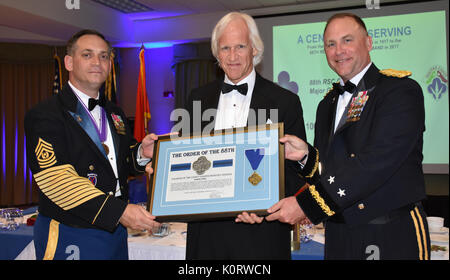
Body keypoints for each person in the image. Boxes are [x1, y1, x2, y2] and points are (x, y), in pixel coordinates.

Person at [265, 13, 430, 260]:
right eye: (330, 44)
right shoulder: (327, 104)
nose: (338, 50)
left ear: (369, 43)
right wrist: (307, 156)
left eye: (347, 40)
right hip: (340, 233)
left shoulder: (399, 91)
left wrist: (305, 205)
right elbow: (332, 170)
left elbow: (375, 163)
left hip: (389, 231)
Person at [24, 29, 160, 260]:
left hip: (114, 231)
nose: (98, 62)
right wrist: (119, 212)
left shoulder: (114, 112)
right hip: (71, 231)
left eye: (104, 56)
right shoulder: (46, 114)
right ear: (69, 62)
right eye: (87, 55)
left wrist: (141, 153)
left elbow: (117, 164)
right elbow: (57, 181)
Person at [183, 12, 306, 259]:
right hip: (207, 236)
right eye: (225, 48)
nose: (232, 56)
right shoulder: (197, 99)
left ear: (254, 49)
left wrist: (265, 206)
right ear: (217, 54)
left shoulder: (285, 102)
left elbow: (295, 172)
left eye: (240, 46)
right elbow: (188, 162)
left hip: (263, 233)